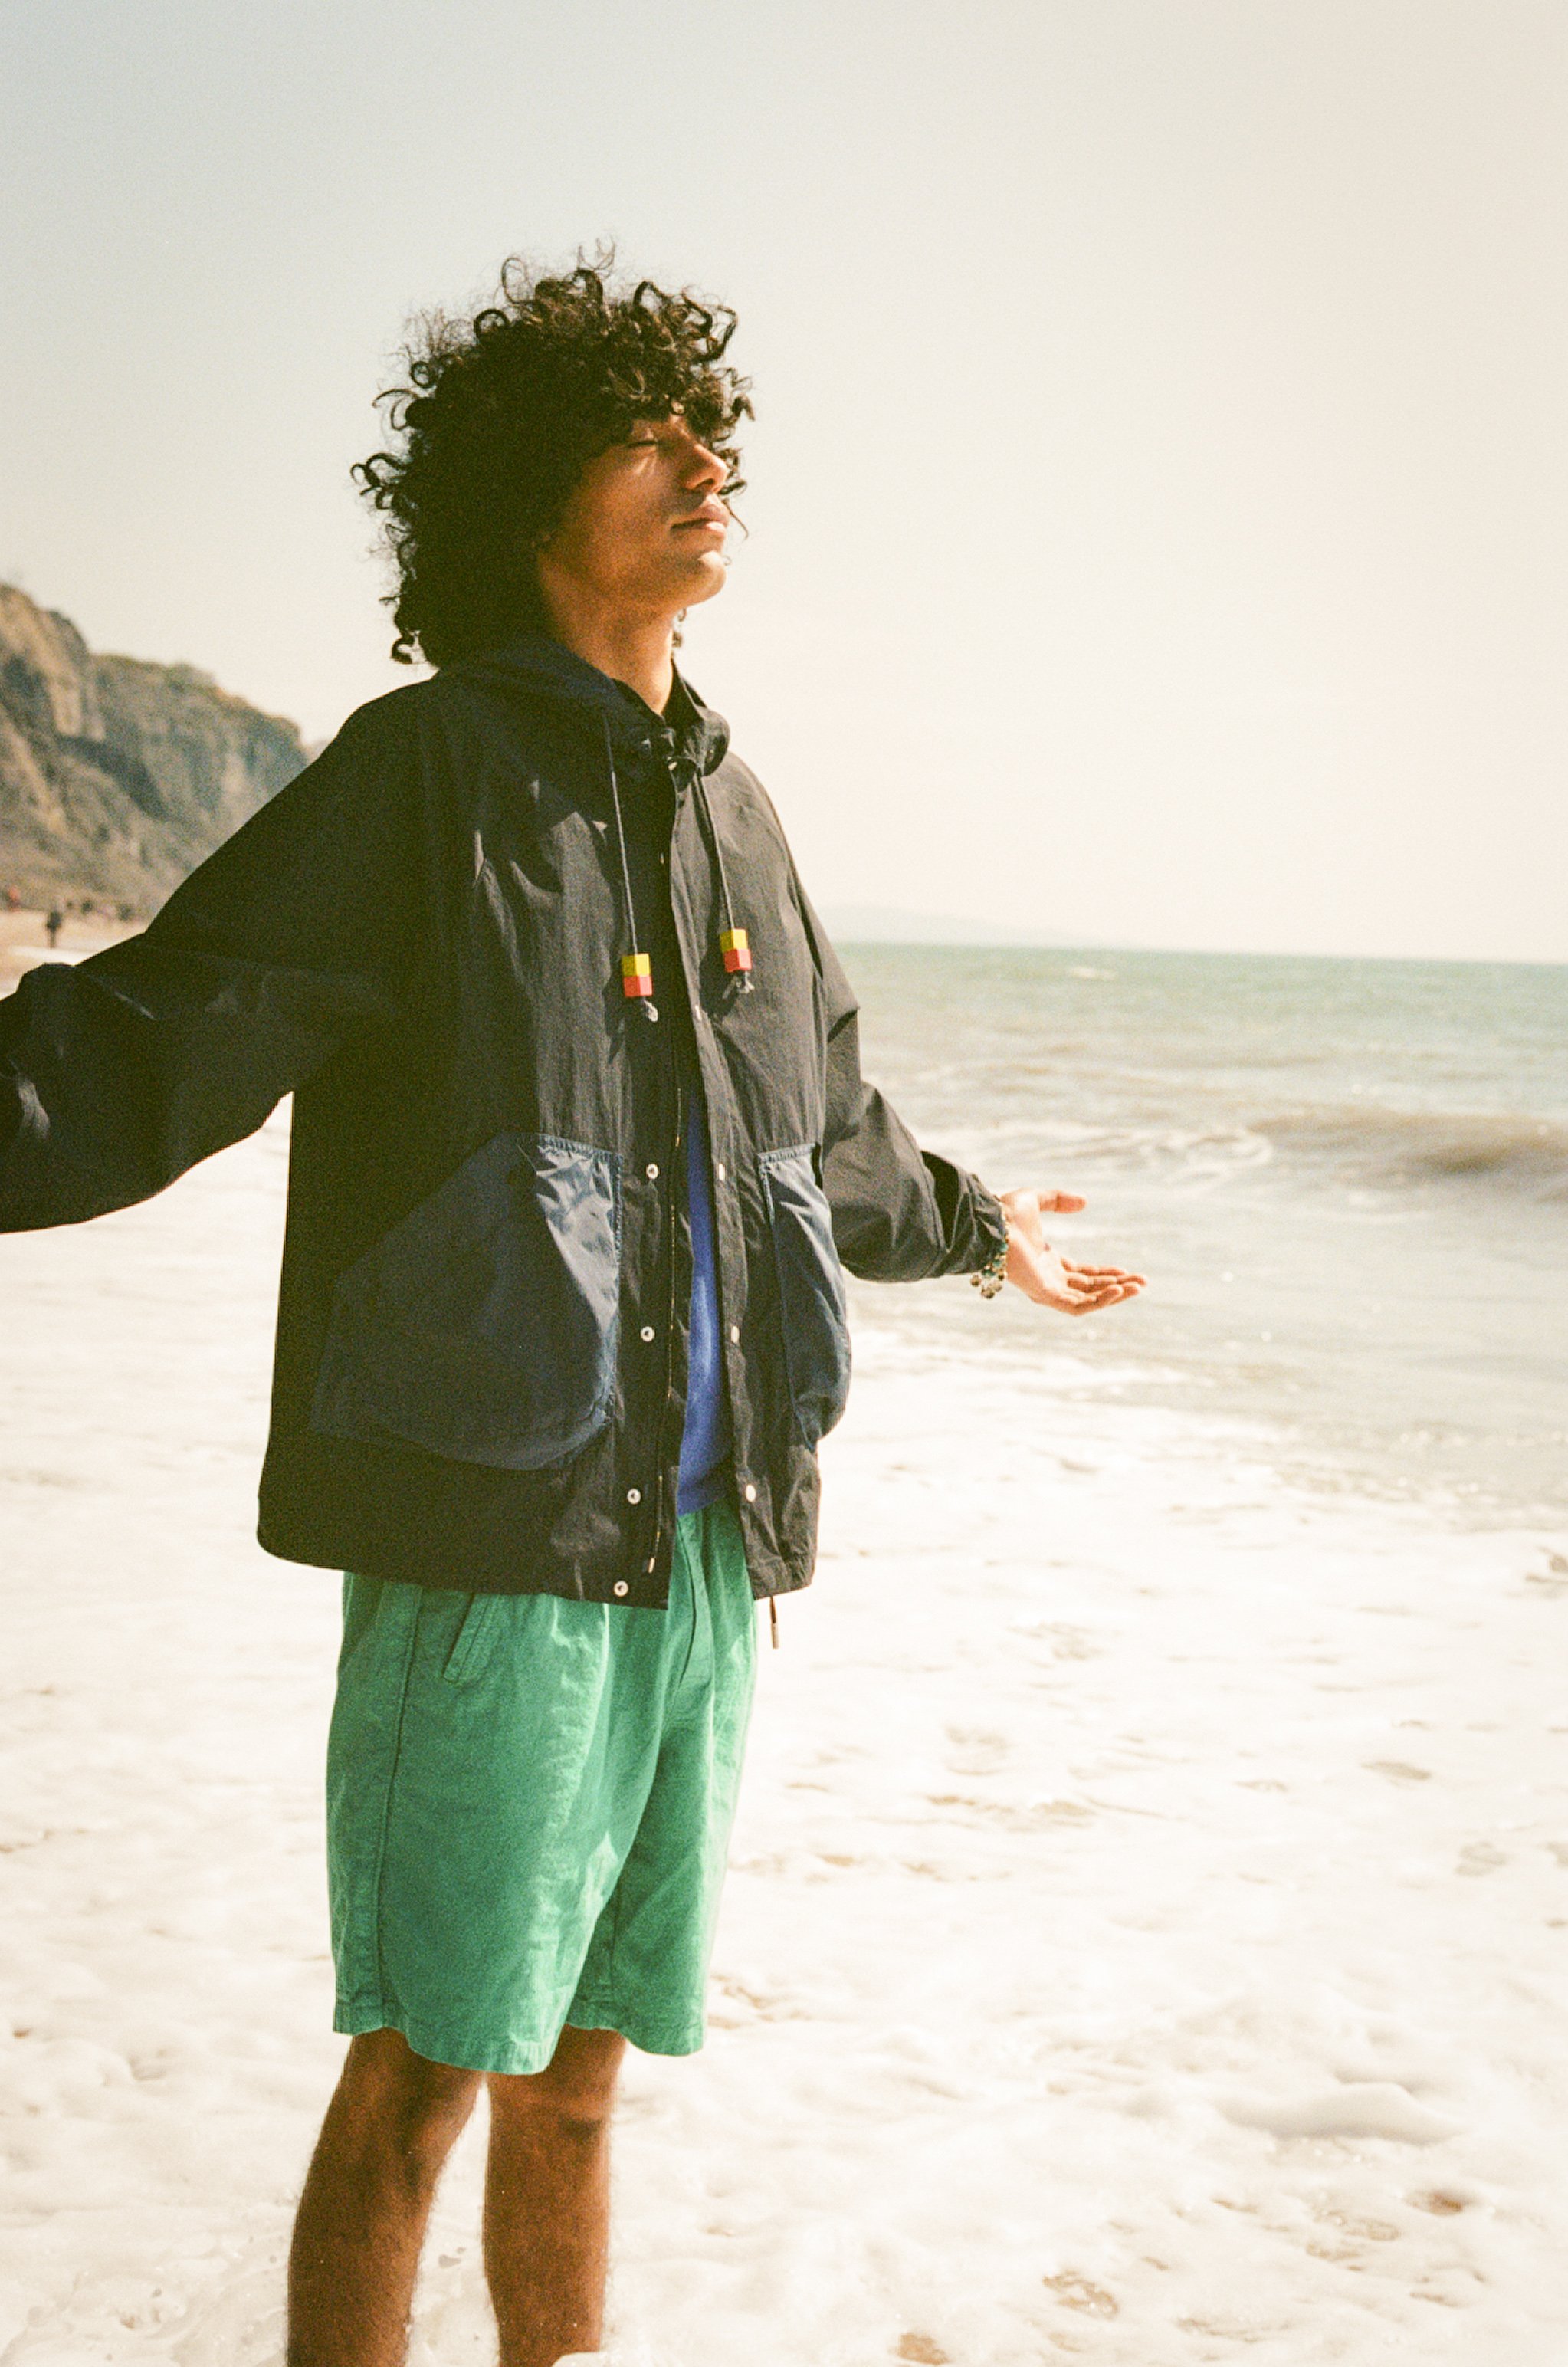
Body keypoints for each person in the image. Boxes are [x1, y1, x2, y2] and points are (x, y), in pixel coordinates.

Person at [0, 256, 1146, 2367]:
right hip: (495, 1549)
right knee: (421, 2084)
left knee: (588, 2079)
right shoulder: (423, 775)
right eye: (646, 431)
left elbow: (827, 1129)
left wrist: (985, 1231)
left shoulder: (738, 812)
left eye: (712, 428)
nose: (706, 461)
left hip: (705, 1556)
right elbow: (150, 1044)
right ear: (529, 498)